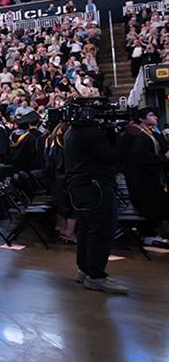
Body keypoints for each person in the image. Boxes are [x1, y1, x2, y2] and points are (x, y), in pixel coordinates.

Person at [64, 99, 137, 294]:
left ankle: (85, 269)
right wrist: (128, 137)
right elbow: (111, 157)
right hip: (95, 187)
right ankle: (96, 275)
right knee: (101, 228)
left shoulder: (72, 131)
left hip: (81, 187)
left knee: (87, 228)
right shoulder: (90, 133)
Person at [120, 108, 169, 247]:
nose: (156, 118)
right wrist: (163, 158)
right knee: (151, 204)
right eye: (151, 115)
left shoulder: (153, 132)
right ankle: (148, 233)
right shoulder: (136, 135)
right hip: (143, 178)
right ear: (141, 119)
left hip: (156, 175)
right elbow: (141, 156)